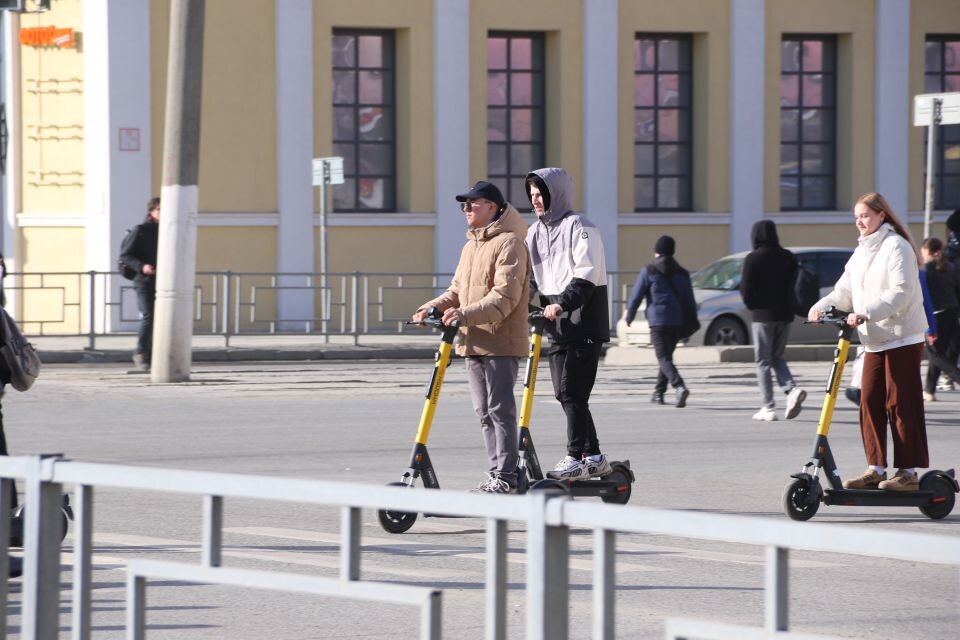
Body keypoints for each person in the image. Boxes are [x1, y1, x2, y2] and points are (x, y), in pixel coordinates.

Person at [412, 181, 529, 494]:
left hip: (500, 341)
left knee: (499, 410)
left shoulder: (510, 243)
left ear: (492, 206)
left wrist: (464, 314)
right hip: (473, 340)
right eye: (463, 205)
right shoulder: (471, 246)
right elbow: (456, 292)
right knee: (483, 413)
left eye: (472, 203)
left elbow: (504, 297)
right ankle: (496, 475)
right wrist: (429, 308)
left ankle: (506, 477)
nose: (466, 209)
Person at [808, 192, 928, 492]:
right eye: (857, 217)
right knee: (869, 400)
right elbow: (843, 291)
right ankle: (875, 468)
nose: (860, 222)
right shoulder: (861, 252)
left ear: (881, 215)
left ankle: (908, 472)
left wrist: (865, 312)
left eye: (865, 215)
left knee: (900, 403)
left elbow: (901, 292)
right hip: (873, 339)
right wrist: (821, 306)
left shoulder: (896, 247)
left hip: (902, 336)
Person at [524, 167, 612, 481]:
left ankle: (575, 456)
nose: (535, 201)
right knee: (565, 395)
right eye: (532, 195)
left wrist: (562, 303)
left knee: (573, 392)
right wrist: (518, 304)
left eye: (540, 194)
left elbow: (586, 274)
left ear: (555, 194)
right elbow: (531, 279)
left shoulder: (581, 226)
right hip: (558, 326)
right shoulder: (534, 232)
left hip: (583, 321)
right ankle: (596, 455)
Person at [739, 220, 807, 421]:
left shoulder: (753, 258)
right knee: (777, 357)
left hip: (762, 315)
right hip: (785, 315)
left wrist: (752, 305)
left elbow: (746, 288)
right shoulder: (788, 257)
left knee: (763, 361)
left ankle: (768, 407)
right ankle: (792, 390)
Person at [624, 235, 693, 408]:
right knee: (667, 357)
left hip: (658, 322)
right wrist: (690, 323)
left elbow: (637, 295)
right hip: (677, 322)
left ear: (657, 251)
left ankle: (679, 386)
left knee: (663, 357)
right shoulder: (683, 273)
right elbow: (689, 300)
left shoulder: (649, 270)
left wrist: (630, 315)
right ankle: (659, 392)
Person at [119, 197, 160, 371]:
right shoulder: (141, 230)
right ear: (151, 211)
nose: (163, 213)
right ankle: (141, 353)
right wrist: (143, 267)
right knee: (149, 314)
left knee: (160, 319)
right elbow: (125, 256)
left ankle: (155, 354)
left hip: (165, 281)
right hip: (143, 280)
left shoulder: (170, 230)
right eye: (159, 209)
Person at [920, 237, 960, 402]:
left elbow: (922, 298)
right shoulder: (950, 267)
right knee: (941, 354)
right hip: (952, 313)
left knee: (935, 354)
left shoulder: (926, 270)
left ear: (927, 251)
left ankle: (957, 376)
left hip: (935, 316)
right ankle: (929, 390)